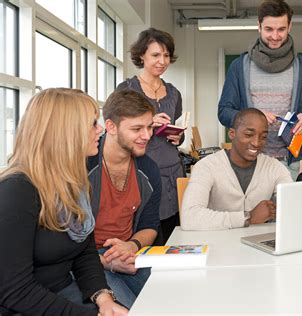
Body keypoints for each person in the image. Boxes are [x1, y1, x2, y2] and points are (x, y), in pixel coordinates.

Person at [0, 88, 127, 315]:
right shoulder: (16, 191)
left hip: (63, 294)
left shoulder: (73, 184)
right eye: (92, 124)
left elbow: (84, 252)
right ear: (66, 133)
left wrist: (104, 298)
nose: (99, 130)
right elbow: (14, 290)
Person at [218, 0, 302, 180]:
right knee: (250, 209)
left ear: (290, 26)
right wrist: (254, 117)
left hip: (288, 161)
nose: (275, 36)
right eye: (269, 29)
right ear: (259, 27)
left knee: (287, 208)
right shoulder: (239, 67)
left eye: (281, 29)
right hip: (248, 158)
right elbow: (224, 113)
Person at [87, 89, 161, 309]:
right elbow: (63, 244)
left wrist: (131, 245)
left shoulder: (149, 168)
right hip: (88, 259)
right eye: (137, 129)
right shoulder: (84, 164)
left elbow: (150, 226)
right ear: (110, 127)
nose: (147, 135)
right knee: (130, 310)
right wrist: (108, 262)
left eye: (149, 127)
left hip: (128, 253)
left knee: (168, 299)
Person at [116, 28, 184, 244]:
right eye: (155, 55)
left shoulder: (174, 93)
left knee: (174, 235)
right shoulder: (127, 89)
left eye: (166, 56)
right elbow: (116, 130)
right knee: (146, 230)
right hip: (141, 170)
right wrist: (148, 122)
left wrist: (178, 137)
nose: (162, 61)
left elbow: (179, 129)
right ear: (141, 55)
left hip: (173, 171)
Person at [181, 108, 292, 230]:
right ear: (232, 134)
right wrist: (248, 217)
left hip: (257, 245)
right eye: (249, 135)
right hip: (217, 244)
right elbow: (189, 217)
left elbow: (294, 206)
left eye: (263, 137)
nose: (256, 143)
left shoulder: (275, 168)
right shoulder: (206, 167)